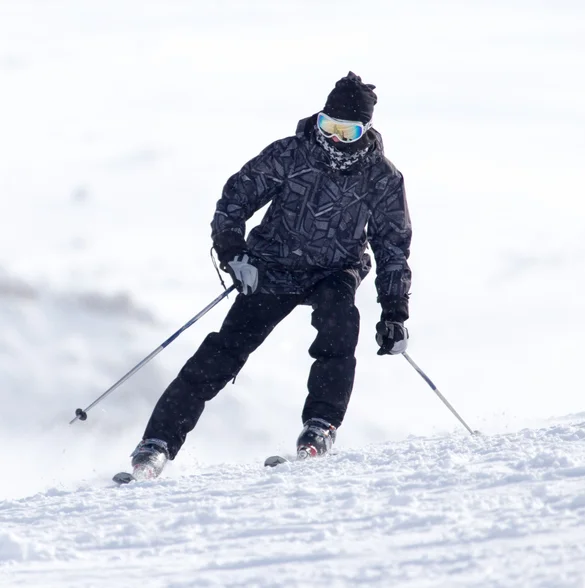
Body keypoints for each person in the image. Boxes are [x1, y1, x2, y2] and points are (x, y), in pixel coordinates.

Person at [130, 72, 412, 479]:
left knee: (340, 324)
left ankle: (319, 427)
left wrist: (394, 313)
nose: (333, 139)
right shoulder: (290, 154)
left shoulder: (383, 179)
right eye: (326, 126)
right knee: (223, 351)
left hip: (335, 270)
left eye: (344, 131)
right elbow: (234, 200)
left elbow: (392, 247)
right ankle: (156, 445)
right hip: (273, 266)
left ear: (364, 131)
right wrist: (234, 253)